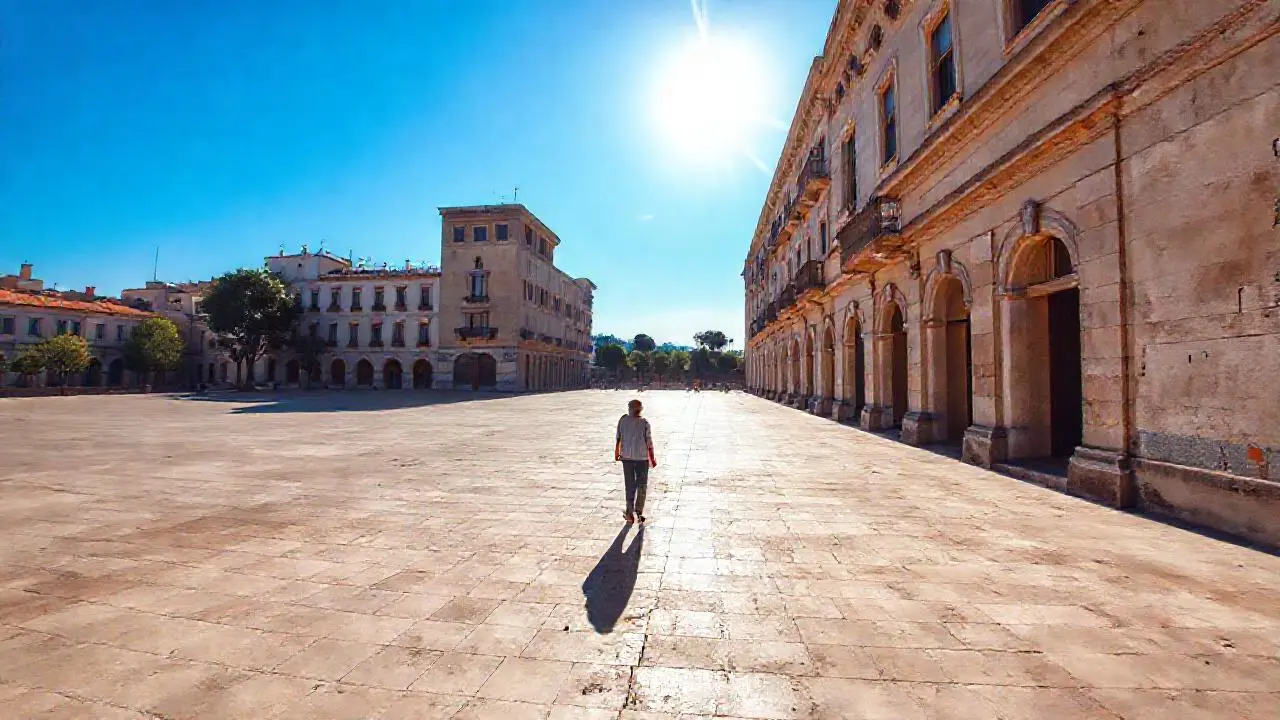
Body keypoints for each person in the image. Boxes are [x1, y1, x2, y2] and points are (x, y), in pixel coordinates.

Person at [615, 399, 656, 524]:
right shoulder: (644, 423)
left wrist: (617, 453)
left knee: (630, 486)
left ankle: (629, 513)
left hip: (627, 457)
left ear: (629, 408)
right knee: (642, 485)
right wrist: (652, 459)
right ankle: (638, 512)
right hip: (641, 458)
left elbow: (618, 438)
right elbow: (649, 442)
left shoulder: (623, 421)